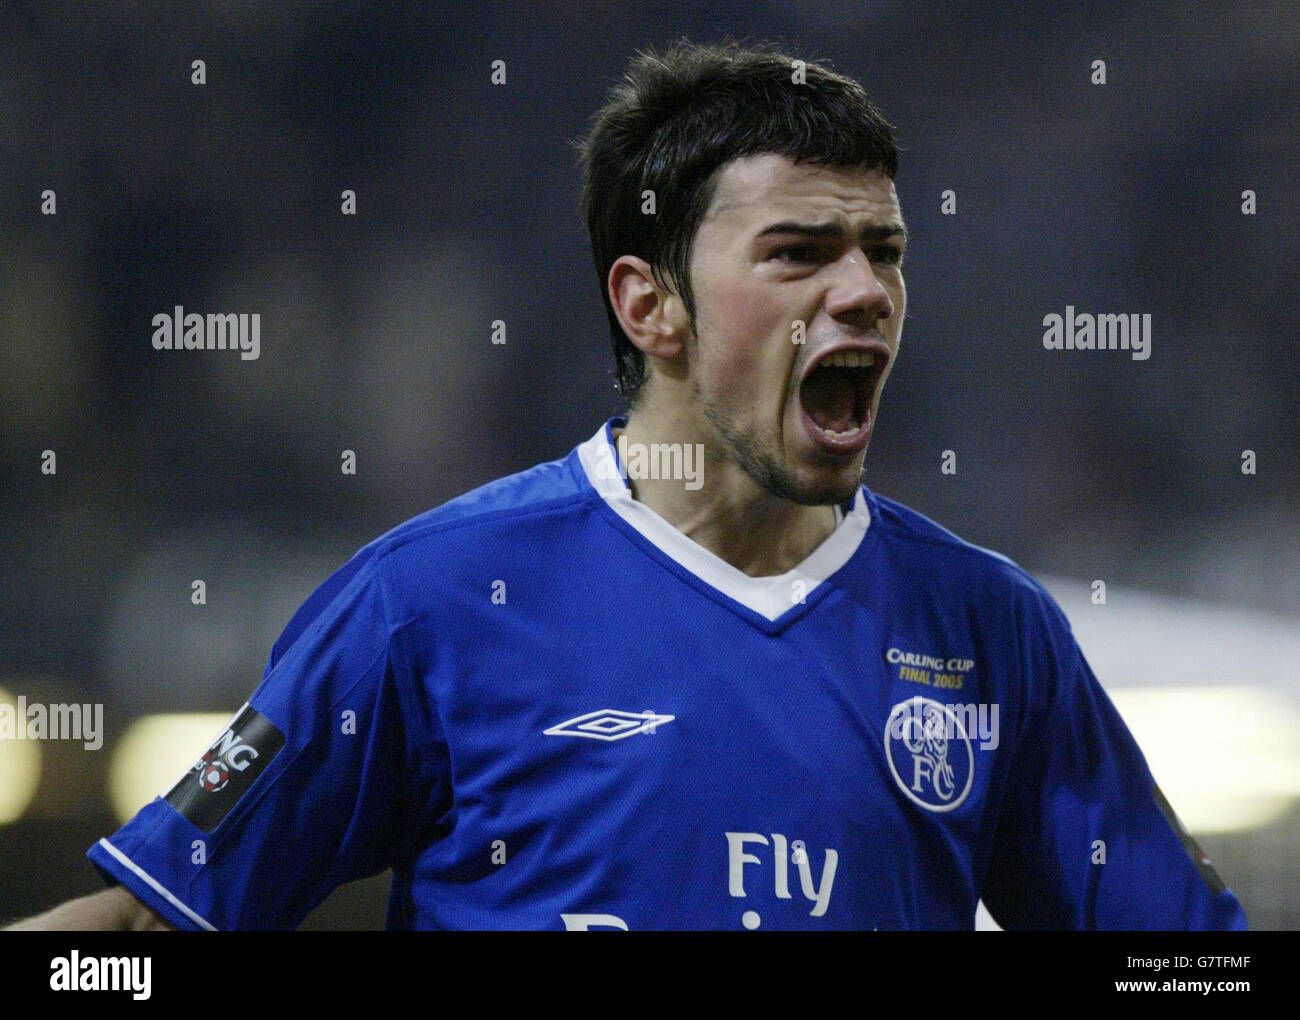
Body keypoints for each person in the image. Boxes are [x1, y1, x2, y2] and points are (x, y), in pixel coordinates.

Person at [8, 39, 1246, 931]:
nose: (864, 290)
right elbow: (146, 930)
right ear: (648, 303)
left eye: (884, 251)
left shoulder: (987, 628)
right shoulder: (432, 601)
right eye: (800, 253)